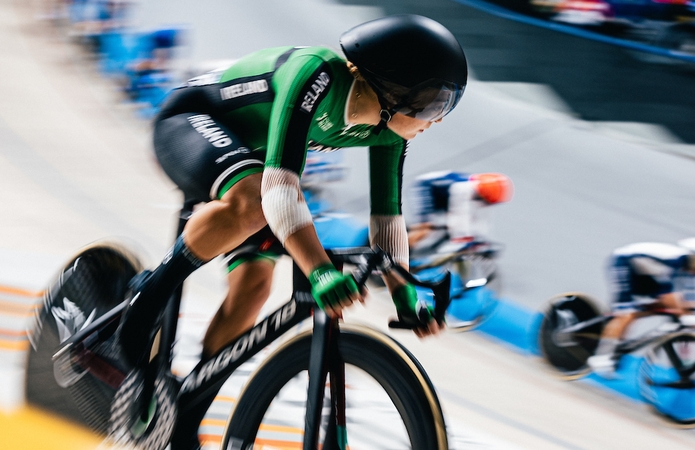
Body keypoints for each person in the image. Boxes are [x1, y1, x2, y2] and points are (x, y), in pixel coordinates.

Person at [114, 14, 468, 449]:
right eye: (433, 103)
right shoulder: (315, 74)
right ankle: (149, 298)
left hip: (252, 164)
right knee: (252, 203)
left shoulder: (389, 134)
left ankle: (190, 407)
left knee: (253, 290)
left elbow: (387, 220)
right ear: (392, 87)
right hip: (192, 120)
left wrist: (404, 292)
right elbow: (280, 187)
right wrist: (319, 272)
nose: (436, 119)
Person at [587, 237, 695, 377]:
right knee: (626, 313)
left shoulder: (688, 267)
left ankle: (625, 322)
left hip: (644, 271)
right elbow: (669, 294)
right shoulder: (675, 260)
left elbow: (691, 298)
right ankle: (601, 357)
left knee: (665, 305)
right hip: (624, 264)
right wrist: (686, 316)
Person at [408, 170, 513, 255]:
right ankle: (397, 254)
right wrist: (462, 237)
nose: (484, 204)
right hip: (426, 187)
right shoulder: (463, 188)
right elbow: (458, 212)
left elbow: (481, 219)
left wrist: (480, 239)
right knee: (425, 228)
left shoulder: (481, 193)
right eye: (484, 201)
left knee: (449, 230)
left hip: (444, 195)